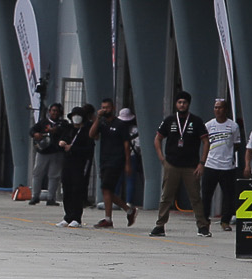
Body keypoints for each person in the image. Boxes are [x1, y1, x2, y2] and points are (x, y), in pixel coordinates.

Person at [148, 91, 209, 236]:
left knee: (195, 197)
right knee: (166, 196)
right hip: (172, 164)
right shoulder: (169, 120)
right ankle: (160, 226)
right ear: (176, 104)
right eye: (180, 102)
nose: (182, 105)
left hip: (191, 166)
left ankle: (202, 226)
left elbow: (206, 142)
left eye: (184, 102)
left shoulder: (196, 121)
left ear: (188, 104)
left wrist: (202, 163)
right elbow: (157, 138)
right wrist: (162, 159)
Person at [91, 97, 133, 228]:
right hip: (104, 159)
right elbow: (92, 135)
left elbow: (126, 144)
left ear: (113, 108)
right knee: (106, 190)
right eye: (103, 108)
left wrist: (127, 163)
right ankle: (129, 210)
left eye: (107, 107)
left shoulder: (120, 124)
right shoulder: (102, 123)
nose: (105, 110)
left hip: (116, 160)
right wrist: (97, 118)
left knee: (106, 188)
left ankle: (108, 219)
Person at [201, 96, 242, 231]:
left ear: (226, 109)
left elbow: (236, 144)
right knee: (206, 195)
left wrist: (228, 155)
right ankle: (204, 220)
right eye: (216, 107)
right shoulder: (208, 125)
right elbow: (204, 143)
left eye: (220, 108)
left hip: (227, 166)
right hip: (211, 165)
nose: (218, 110)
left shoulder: (233, 126)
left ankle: (225, 221)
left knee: (228, 195)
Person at [58, 104, 94, 226]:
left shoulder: (86, 131)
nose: (76, 118)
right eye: (74, 115)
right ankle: (67, 216)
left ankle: (76, 217)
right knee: (66, 188)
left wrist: (73, 148)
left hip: (80, 163)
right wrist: (61, 143)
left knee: (77, 189)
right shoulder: (68, 129)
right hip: (67, 162)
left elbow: (89, 149)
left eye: (78, 115)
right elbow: (61, 140)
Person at [28, 101, 66, 205]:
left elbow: (64, 131)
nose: (55, 113)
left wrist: (56, 130)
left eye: (57, 111)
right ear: (49, 111)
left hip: (57, 153)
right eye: (53, 111)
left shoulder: (63, 123)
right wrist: (35, 134)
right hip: (43, 152)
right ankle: (35, 196)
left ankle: (51, 198)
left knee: (54, 176)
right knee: (37, 174)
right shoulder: (43, 123)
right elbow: (32, 131)